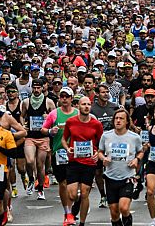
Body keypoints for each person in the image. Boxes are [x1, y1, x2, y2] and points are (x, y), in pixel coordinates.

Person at [61, 96, 103, 226]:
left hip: (89, 162)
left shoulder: (96, 124)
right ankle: (71, 211)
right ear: (78, 106)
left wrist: (98, 153)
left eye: (88, 104)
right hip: (74, 161)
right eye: (83, 104)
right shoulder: (71, 122)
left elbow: (102, 142)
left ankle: (82, 222)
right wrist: (67, 148)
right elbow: (64, 139)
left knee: (85, 193)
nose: (86, 106)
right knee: (72, 194)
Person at [97, 109, 144, 226]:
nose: (118, 121)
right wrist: (103, 158)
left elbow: (141, 152)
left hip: (127, 177)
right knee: (114, 212)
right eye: (116, 118)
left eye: (121, 118)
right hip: (110, 177)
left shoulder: (134, 137)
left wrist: (136, 160)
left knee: (123, 208)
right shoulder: (106, 136)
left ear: (127, 121)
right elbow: (100, 152)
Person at [40, 87, 78, 226]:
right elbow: (43, 129)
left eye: (66, 96)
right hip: (60, 153)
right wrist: (50, 131)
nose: (64, 99)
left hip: (76, 153)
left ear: (71, 98)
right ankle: (67, 212)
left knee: (75, 186)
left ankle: (74, 204)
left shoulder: (77, 113)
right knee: (63, 183)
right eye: (62, 96)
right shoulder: (54, 114)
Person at [21, 78, 55, 200]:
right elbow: (22, 115)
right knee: (30, 161)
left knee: (40, 165)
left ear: (42, 88)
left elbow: (54, 118)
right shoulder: (26, 102)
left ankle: (40, 188)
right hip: (30, 136)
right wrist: (22, 126)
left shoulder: (49, 102)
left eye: (38, 88)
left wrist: (48, 118)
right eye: (34, 88)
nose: (36, 90)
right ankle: (31, 178)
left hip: (43, 137)